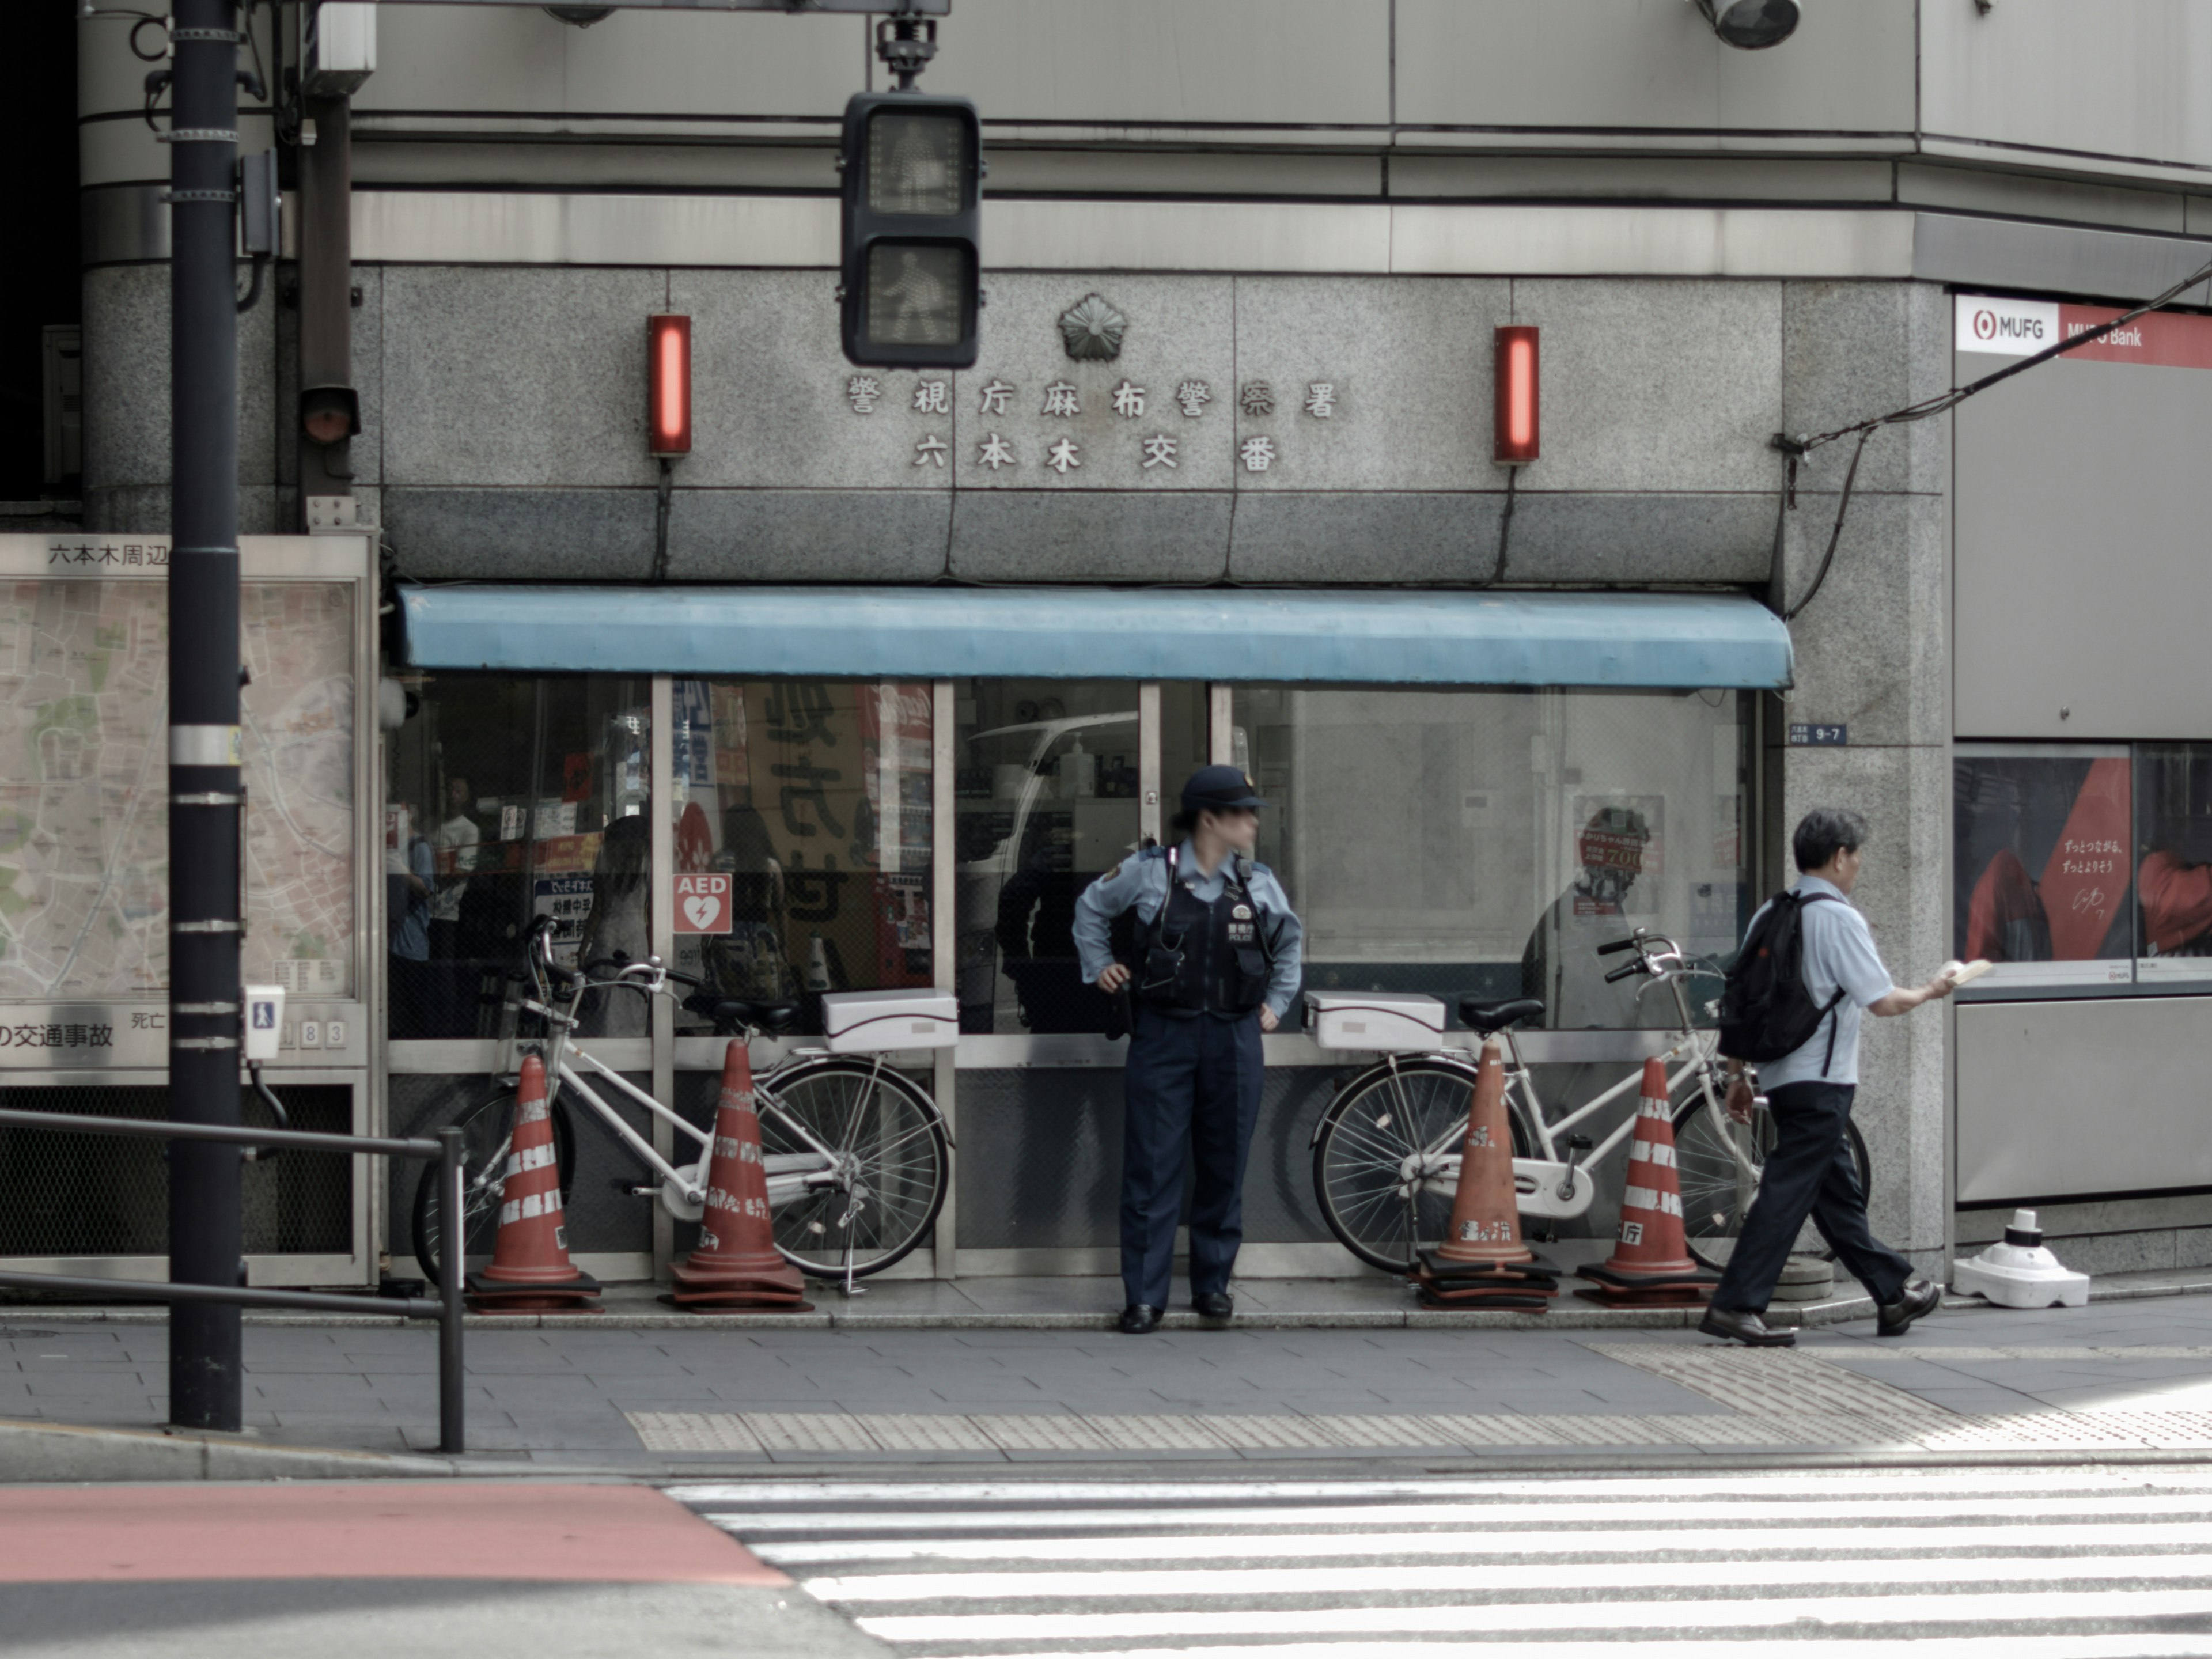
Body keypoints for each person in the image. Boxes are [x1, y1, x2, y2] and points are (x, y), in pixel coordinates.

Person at [1702, 808, 1956, 1347]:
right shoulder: (1839, 918)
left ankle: (1894, 1293)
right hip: (1823, 1081)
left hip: (1779, 1075)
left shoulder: (1770, 911)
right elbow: (1884, 1002)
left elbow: (1740, 1002)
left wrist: (1737, 1075)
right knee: (1786, 1191)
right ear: (1840, 857)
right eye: (1857, 855)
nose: (1859, 865)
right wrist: (1933, 990)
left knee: (1837, 1195)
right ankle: (1736, 1304)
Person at [1073, 766, 1304, 1334]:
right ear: (1209, 819)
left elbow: (1290, 941)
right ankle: (1144, 1298)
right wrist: (1101, 966)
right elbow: (1090, 908)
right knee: (1151, 1168)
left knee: (1224, 1167)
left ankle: (1212, 1287)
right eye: (1241, 812)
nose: (1252, 822)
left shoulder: (1259, 882)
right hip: (1164, 1035)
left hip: (1234, 1036)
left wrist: (1277, 1000)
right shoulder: (1151, 872)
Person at [429, 777, 482, 1037]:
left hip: (450, 909)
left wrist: (430, 877)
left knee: (446, 968)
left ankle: (448, 1027)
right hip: (425, 907)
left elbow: (463, 869)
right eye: (449, 788)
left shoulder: (469, 830)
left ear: (467, 797)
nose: (453, 794)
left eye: (459, 790)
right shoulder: (432, 826)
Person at [385, 801, 437, 1039]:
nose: (392, 818)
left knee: (416, 1001)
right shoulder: (387, 844)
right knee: (396, 1003)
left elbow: (426, 889)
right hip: (388, 936)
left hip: (411, 938)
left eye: (397, 813)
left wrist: (402, 870)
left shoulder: (420, 846)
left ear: (411, 814)